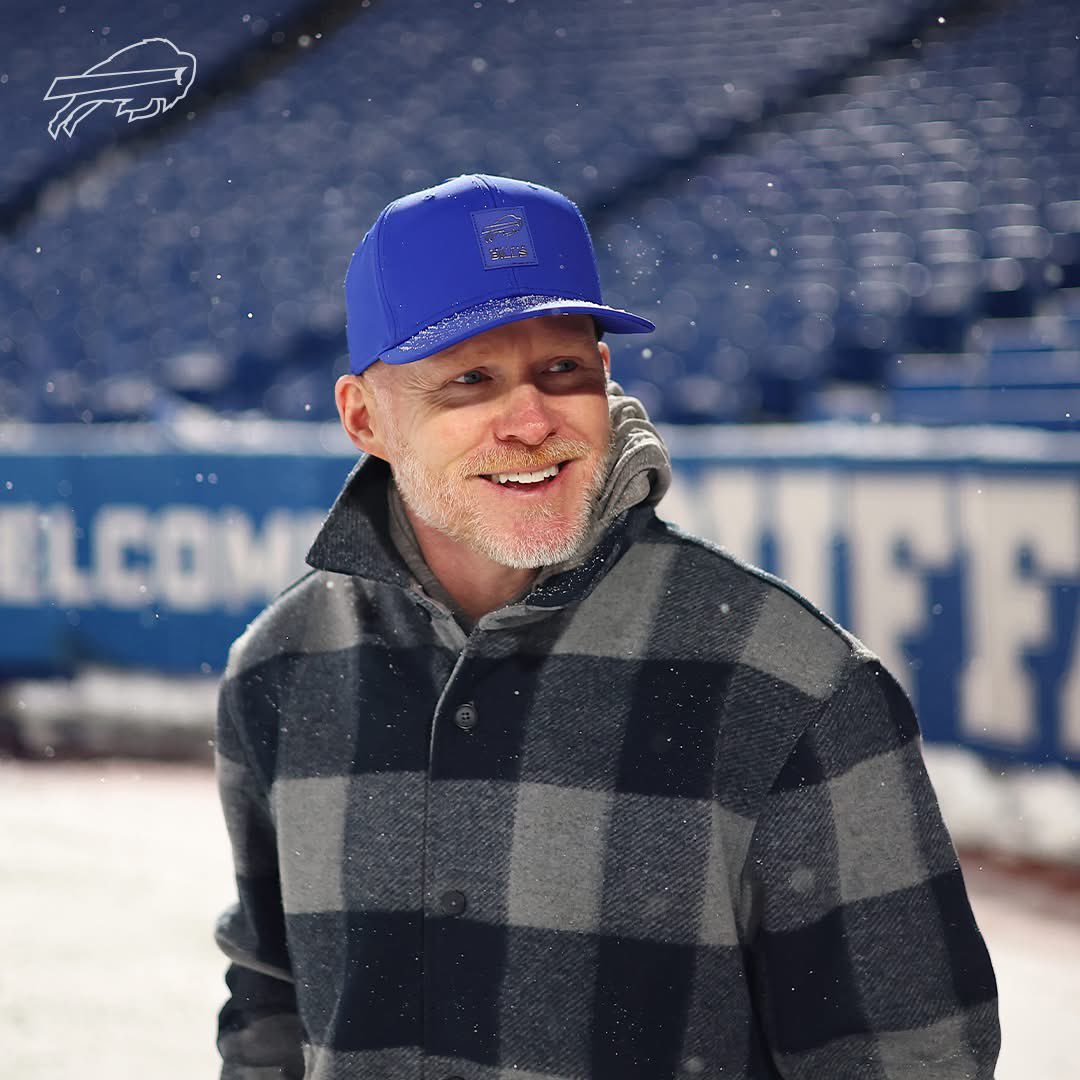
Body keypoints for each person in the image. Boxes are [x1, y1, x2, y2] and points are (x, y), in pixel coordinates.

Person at [213, 173, 1000, 1080]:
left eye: (564, 370)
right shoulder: (279, 667)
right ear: (365, 418)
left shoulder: (793, 686)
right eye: (471, 380)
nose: (531, 420)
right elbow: (270, 1002)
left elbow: (914, 1057)